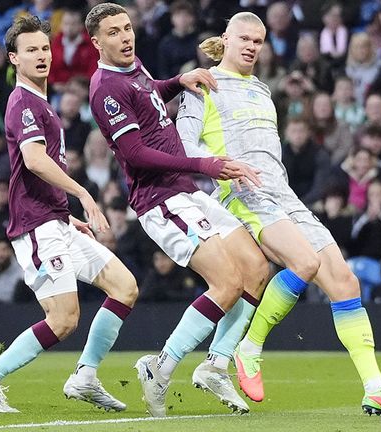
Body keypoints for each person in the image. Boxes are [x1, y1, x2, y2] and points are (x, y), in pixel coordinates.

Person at [177, 11, 381, 415]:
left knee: (345, 282)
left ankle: (375, 387)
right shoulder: (202, 86)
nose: (251, 46)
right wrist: (223, 167)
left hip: (283, 194)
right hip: (242, 193)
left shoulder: (262, 89)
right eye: (243, 38)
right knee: (305, 262)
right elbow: (184, 146)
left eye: (258, 41)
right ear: (225, 38)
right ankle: (249, 347)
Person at [84, 3, 269, 416]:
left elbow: (148, 97)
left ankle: (216, 365)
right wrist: (204, 164)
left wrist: (176, 82)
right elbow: (135, 153)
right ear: (96, 43)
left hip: (185, 191)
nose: (125, 37)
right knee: (226, 282)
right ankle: (160, 368)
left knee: (257, 269)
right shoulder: (105, 89)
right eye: (113, 32)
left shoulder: (132, 67)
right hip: (160, 199)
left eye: (127, 28)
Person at [0, 16, 138, 414]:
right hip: (36, 227)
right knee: (63, 320)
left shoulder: (41, 101)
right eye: (31, 50)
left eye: (45, 48)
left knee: (124, 286)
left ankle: (85, 377)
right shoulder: (22, 102)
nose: (41, 55)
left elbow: (40, 170)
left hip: (55, 221)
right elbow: (34, 160)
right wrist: (82, 194)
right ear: (14, 58)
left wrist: (65, 214)